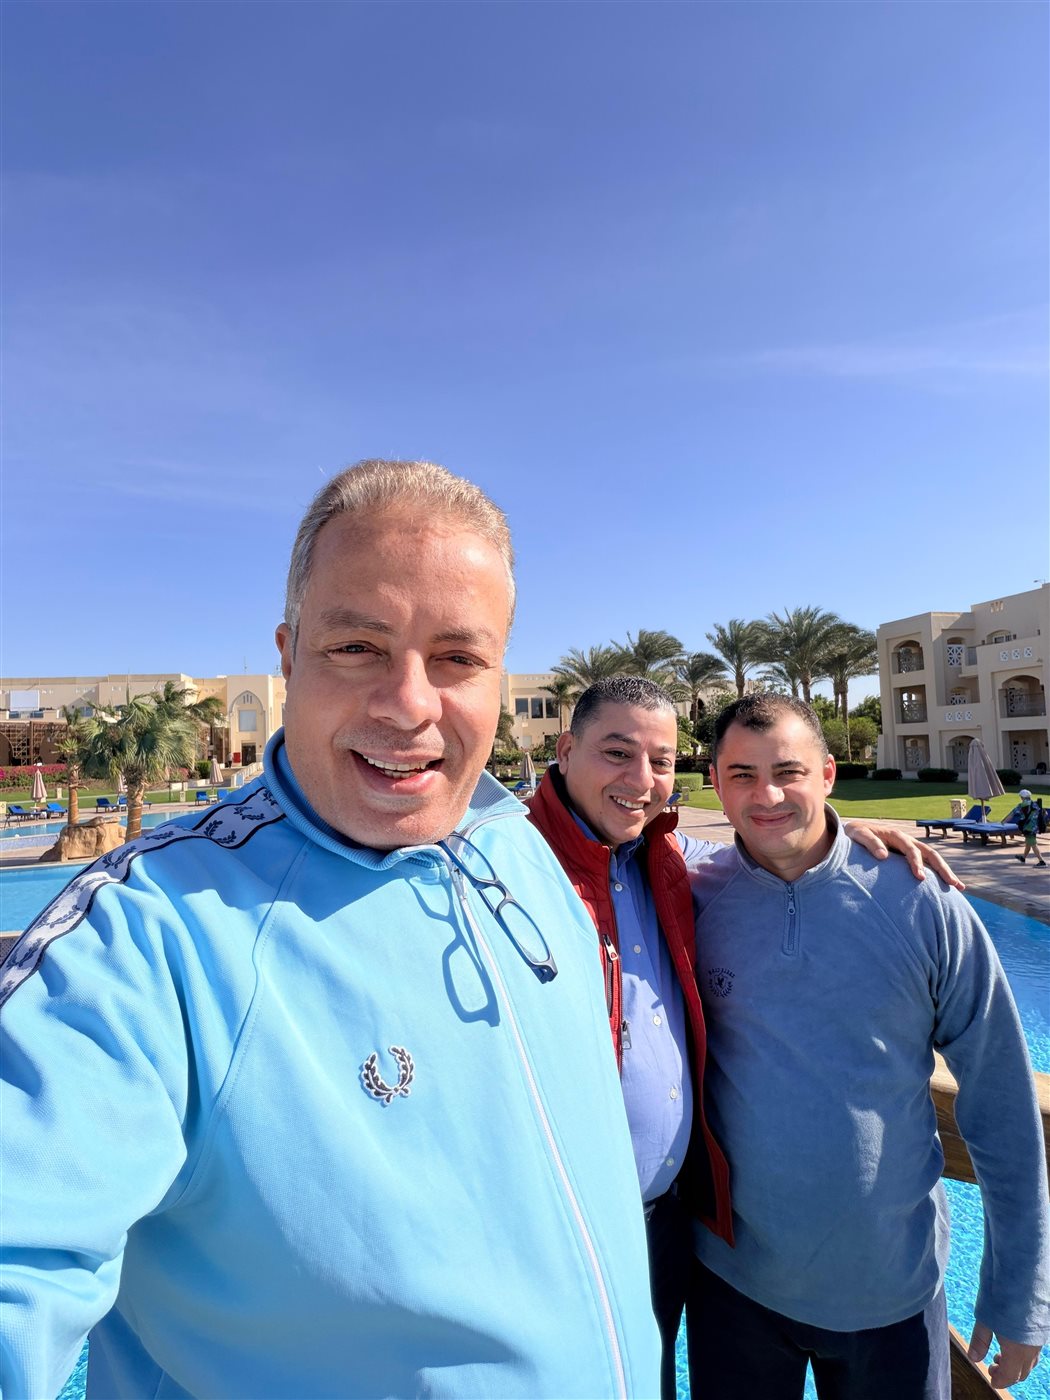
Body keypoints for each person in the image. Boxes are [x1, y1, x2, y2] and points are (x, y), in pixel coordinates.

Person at [0, 461, 661, 1400]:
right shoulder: (149, 936)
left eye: (458, 659)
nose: (410, 703)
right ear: (289, 655)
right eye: (357, 646)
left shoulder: (516, 844)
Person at [526, 677, 964, 1400]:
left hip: (676, 1229)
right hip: (563, 1229)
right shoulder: (504, 867)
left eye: (661, 761)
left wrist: (840, 835)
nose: (642, 780)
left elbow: (775, 842)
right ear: (566, 751)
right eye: (617, 753)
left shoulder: (671, 863)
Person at [687, 693, 1049, 1399]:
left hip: (893, 1295)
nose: (767, 796)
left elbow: (1000, 1096)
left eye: (788, 772)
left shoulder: (922, 900)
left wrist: (1020, 1292)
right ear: (716, 784)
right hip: (733, 1288)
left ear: (828, 774)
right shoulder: (693, 895)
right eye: (742, 775)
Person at [1007, 789, 1047, 866]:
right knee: (1028, 844)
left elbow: (1012, 814)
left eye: (1021, 797)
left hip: (1028, 828)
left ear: (1022, 797)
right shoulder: (1035, 804)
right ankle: (1023, 858)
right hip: (1035, 828)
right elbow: (1044, 813)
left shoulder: (1021, 805)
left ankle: (1042, 861)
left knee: (1033, 845)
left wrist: (1003, 822)